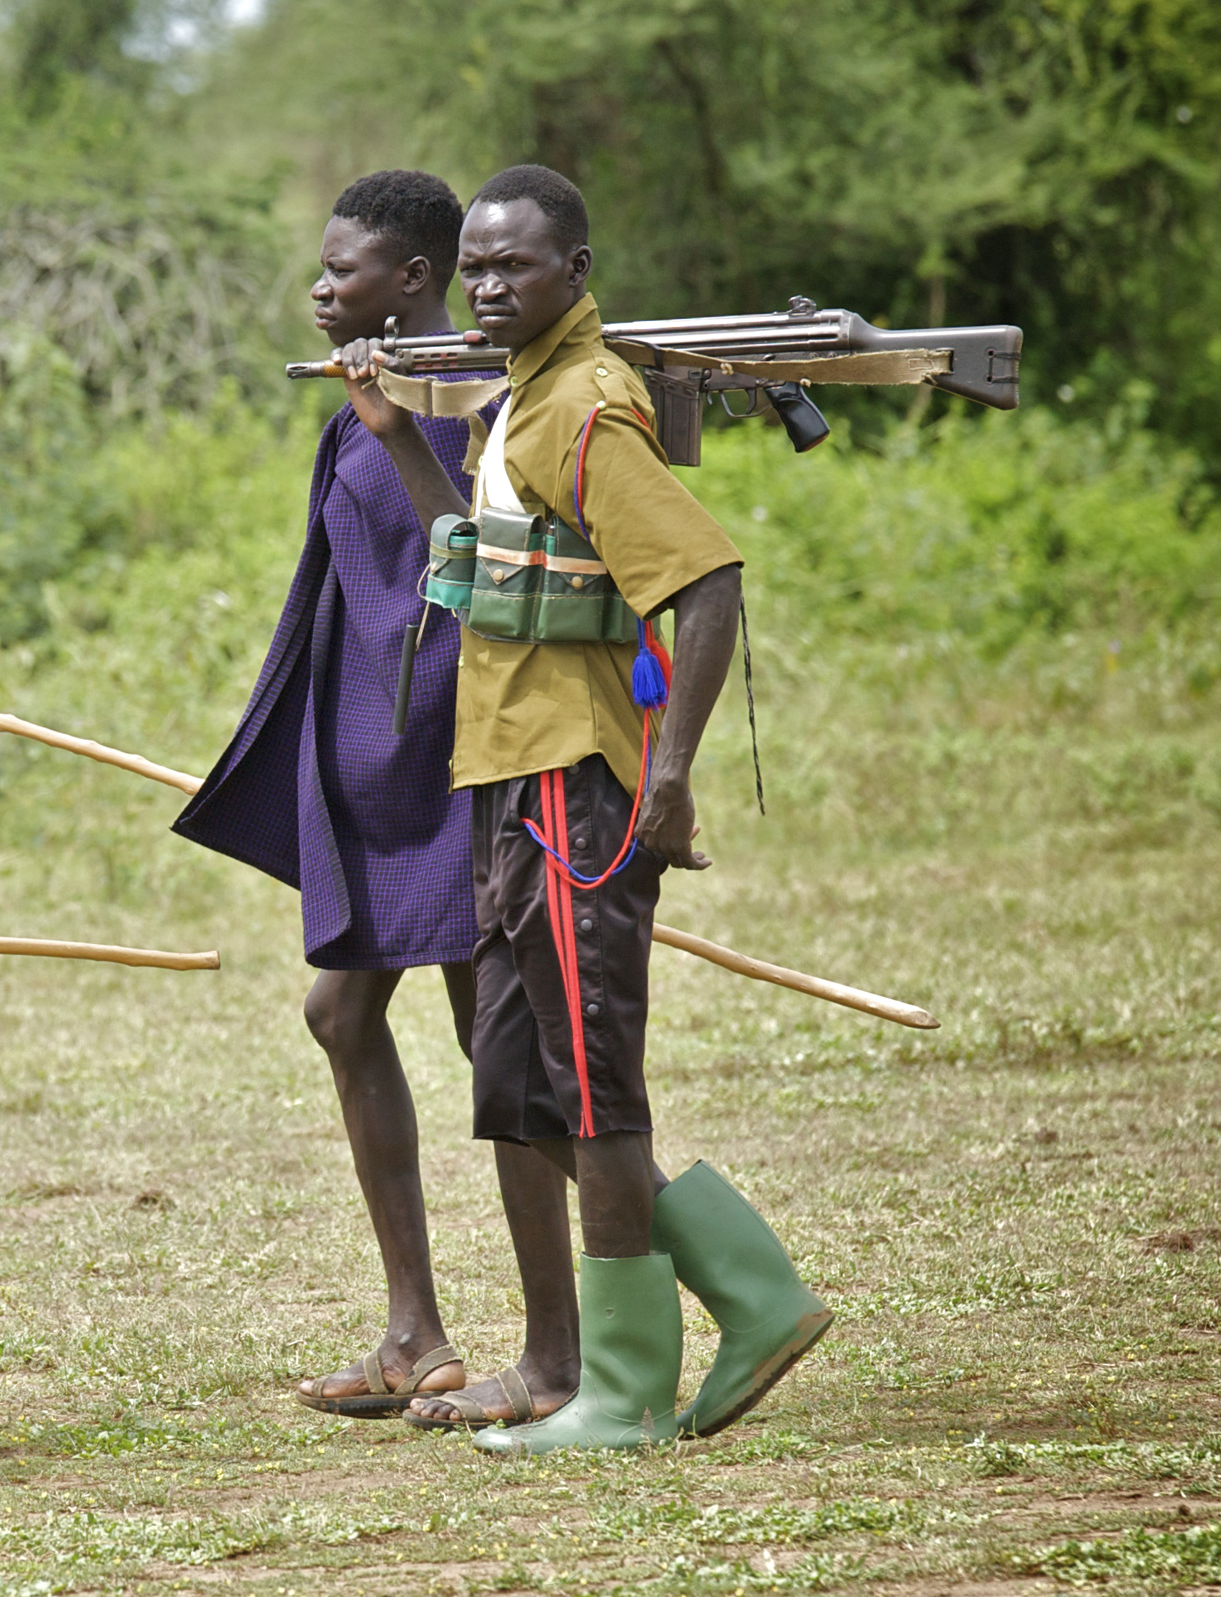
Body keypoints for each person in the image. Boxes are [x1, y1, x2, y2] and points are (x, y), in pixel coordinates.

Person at [338, 164, 831, 1453]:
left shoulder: (590, 408)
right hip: (506, 779)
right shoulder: (518, 408)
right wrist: (396, 437)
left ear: (578, 274)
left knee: (594, 1091)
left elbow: (706, 581)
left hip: (579, 784)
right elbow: (482, 567)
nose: (492, 286)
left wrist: (666, 778)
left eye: (518, 266)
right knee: (524, 1084)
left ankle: (618, 1389)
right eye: (480, 267)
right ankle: (750, 1291)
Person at [173, 170, 486, 1419]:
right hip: (383, 775)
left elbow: (470, 587)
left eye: (344, 267)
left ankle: (718, 1282)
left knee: (503, 1049)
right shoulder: (367, 399)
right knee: (345, 1016)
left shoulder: (476, 403)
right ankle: (415, 1329)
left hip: (458, 773)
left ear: (414, 280)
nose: (320, 286)